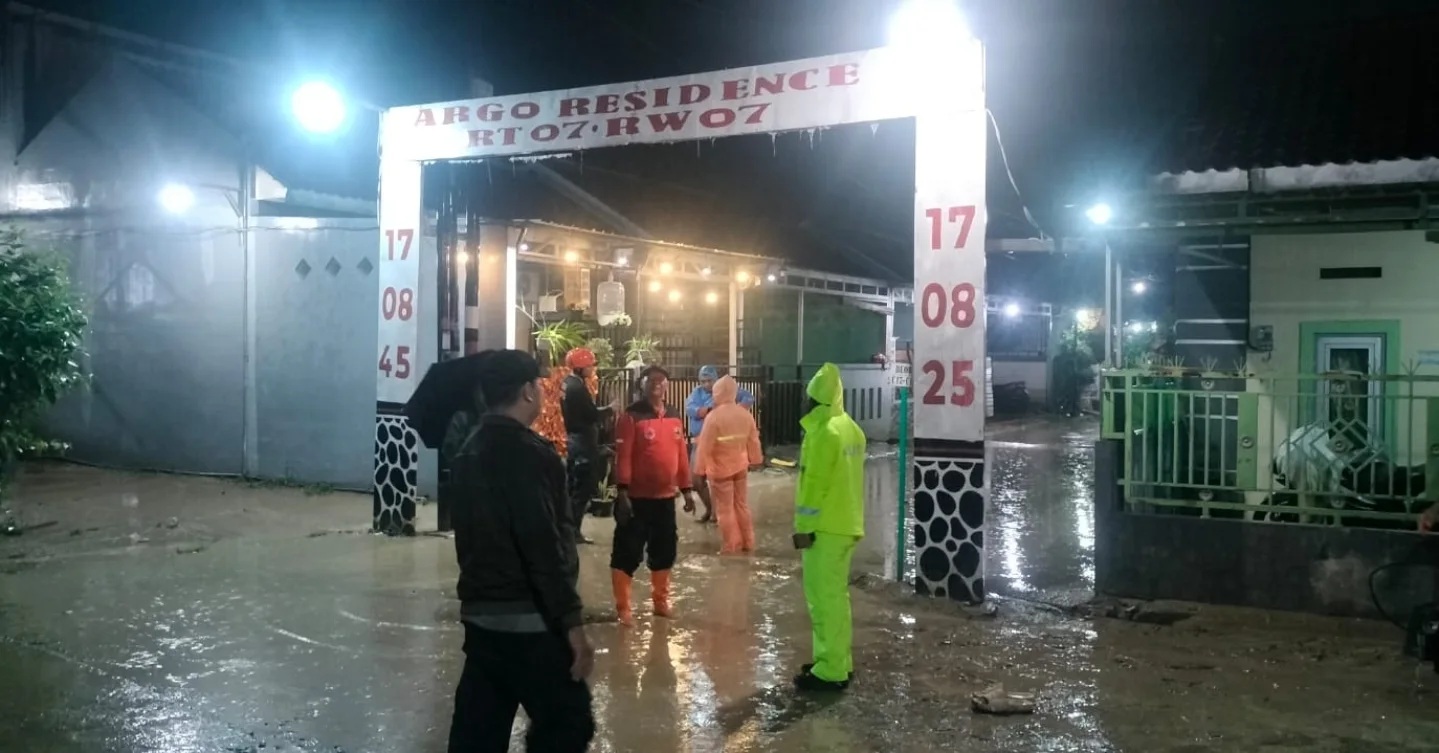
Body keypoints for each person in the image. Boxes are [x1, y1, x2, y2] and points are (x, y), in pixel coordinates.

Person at [446, 349, 595, 752]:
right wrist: (573, 624)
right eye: (539, 385)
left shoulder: (465, 453)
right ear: (528, 391)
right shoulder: (533, 455)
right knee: (568, 723)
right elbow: (543, 545)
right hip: (532, 623)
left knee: (477, 736)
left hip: (480, 622)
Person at [791, 362, 866, 693]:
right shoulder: (851, 428)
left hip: (824, 528)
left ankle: (830, 670)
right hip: (847, 524)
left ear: (814, 398)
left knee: (822, 600)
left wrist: (803, 527)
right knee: (837, 598)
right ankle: (838, 660)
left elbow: (813, 486)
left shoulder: (823, 433)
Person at [611, 365, 701, 626]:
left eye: (661, 380)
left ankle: (660, 602)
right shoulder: (631, 417)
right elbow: (623, 456)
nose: (657, 384)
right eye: (651, 381)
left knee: (664, 550)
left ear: (667, 385)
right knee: (627, 552)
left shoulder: (674, 416)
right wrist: (623, 492)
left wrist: (686, 491)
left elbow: (682, 456)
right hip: (636, 499)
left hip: (665, 500)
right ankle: (623, 607)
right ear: (642, 385)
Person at [693, 375, 763, 554]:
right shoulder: (745, 414)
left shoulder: (713, 418)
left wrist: (699, 469)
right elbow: (753, 440)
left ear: (717, 392)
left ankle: (730, 546)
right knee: (741, 504)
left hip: (720, 470)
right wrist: (756, 460)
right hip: (741, 467)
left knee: (725, 509)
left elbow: (705, 447)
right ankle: (748, 542)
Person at [686, 365, 755, 523]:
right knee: (696, 479)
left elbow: (749, 398)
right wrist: (709, 410)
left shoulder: (726, 391)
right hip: (699, 441)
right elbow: (690, 409)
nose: (706, 384)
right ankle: (711, 509)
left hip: (720, 444)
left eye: (709, 380)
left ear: (716, 380)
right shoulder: (696, 393)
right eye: (703, 381)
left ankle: (719, 515)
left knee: (718, 480)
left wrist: (734, 412)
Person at [561, 347, 616, 545]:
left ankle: (568, 530)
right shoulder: (577, 388)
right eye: (590, 365)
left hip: (575, 441)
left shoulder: (568, 384)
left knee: (573, 488)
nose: (592, 368)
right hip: (583, 443)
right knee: (582, 490)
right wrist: (609, 410)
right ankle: (573, 532)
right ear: (580, 367)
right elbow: (591, 414)